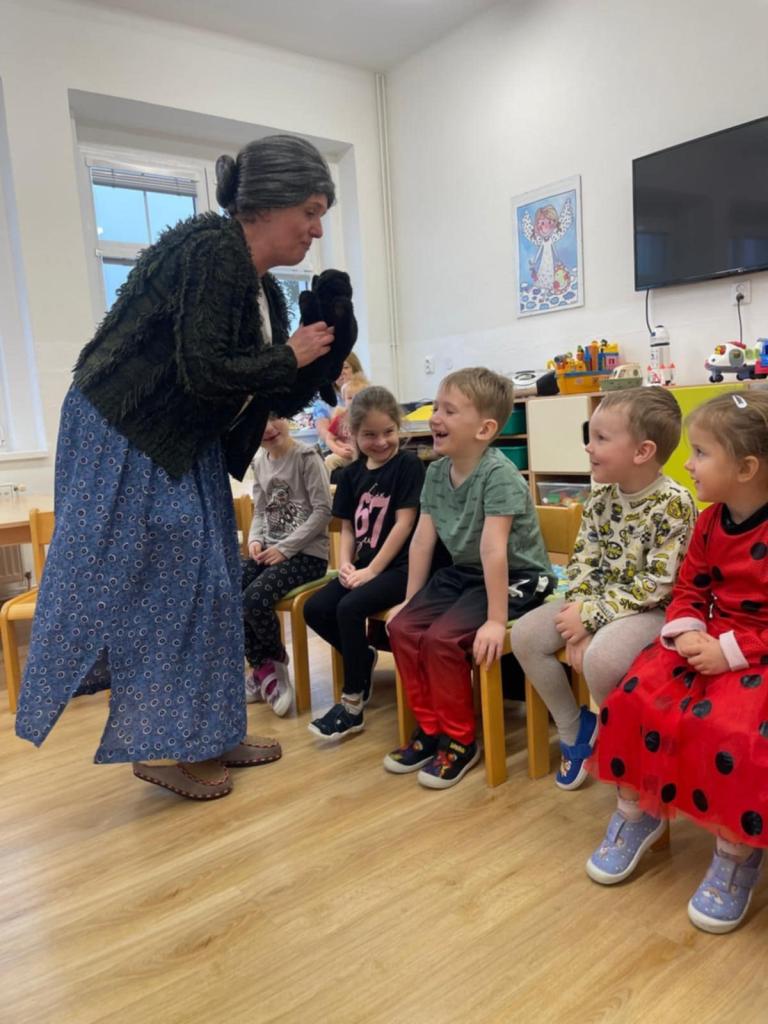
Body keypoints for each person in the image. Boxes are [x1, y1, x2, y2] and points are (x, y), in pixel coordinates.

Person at [14, 134, 356, 801]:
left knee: (211, 585)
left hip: (183, 439)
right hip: (127, 429)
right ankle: (161, 745)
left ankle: (210, 732)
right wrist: (288, 355)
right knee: (164, 588)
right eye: (311, 211)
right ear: (269, 203)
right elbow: (204, 369)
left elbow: (258, 390)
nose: (317, 229)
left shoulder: (265, 292)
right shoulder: (209, 250)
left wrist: (318, 360)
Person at [587, 390, 768, 934]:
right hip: (708, 640)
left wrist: (728, 652)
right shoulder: (710, 522)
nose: (687, 464)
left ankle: (737, 855)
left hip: (756, 653)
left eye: (701, 453)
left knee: (734, 733)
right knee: (631, 699)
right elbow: (689, 587)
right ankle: (635, 814)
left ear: (746, 468)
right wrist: (688, 628)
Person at [511, 387, 697, 791]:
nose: (588, 447)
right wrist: (580, 612)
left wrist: (591, 619)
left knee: (602, 659)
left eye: (600, 438)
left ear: (642, 452)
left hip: (654, 610)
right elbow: (583, 560)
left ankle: (625, 743)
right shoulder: (601, 496)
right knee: (525, 634)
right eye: (589, 436)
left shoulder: (675, 502)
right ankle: (575, 727)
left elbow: (658, 584)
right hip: (598, 603)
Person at [385, 368, 553, 789]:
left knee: (443, 640)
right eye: (436, 408)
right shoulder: (435, 473)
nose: (435, 418)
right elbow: (422, 540)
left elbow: (494, 550)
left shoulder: (499, 475)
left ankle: (460, 740)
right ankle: (431, 729)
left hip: (518, 576)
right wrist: (409, 600)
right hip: (466, 573)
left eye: (449, 410)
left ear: (485, 429)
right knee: (402, 627)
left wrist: (496, 620)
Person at [305, 386, 424, 740]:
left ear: (398, 428)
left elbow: (404, 524)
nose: (381, 442)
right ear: (353, 434)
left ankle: (352, 705)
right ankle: (363, 658)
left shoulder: (408, 465)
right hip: (365, 566)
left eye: (388, 432)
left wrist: (372, 570)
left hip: (402, 568)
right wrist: (345, 563)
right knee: (315, 609)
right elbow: (347, 528)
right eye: (370, 435)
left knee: (349, 608)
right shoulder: (351, 474)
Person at [243, 414, 331, 715]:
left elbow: (323, 511)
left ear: (288, 417)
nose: (268, 428)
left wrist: (285, 548)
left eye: (275, 417)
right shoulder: (259, 462)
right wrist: (255, 539)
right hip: (272, 551)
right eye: (260, 421)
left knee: (253, 599)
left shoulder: (306, 457)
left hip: (308, 556)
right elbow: (260, 511)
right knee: (228, 589)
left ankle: (275, 662)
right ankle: (262, 666)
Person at [311, 352, 364, 446]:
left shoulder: (367, 394)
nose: (341, 372)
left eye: (346, 367)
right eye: (336, 369)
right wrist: (339, 445)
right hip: (332, 448)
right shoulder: (323, 401)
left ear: (355, 370)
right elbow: (323, 431)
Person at [324, 373, 371, 479]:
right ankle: (326, 486)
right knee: (329, 460)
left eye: (358, 397)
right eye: (349, 398)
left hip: (365, 456)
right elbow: (329, 439)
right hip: (344, 455)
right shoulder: (340, 418)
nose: (354, 401)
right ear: (344, 399)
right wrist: (339, 450)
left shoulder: (369, 419)